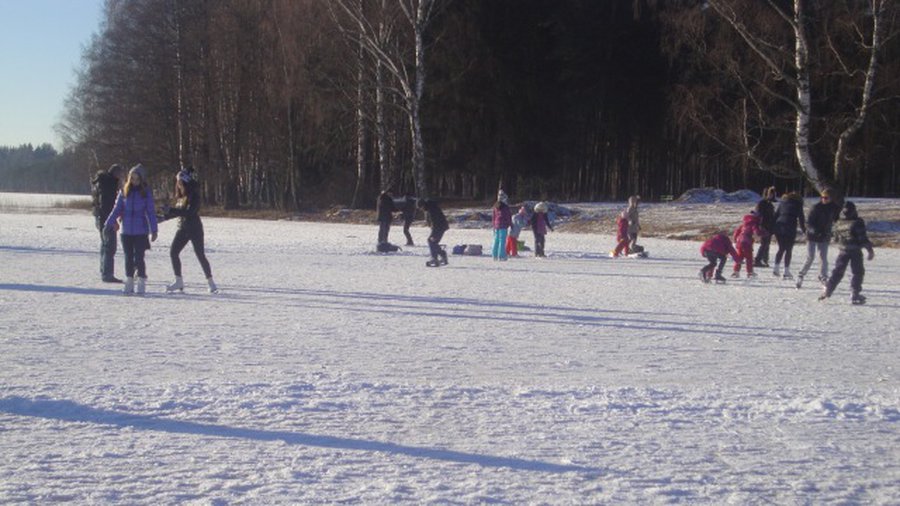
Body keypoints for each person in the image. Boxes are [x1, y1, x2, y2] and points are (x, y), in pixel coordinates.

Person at [104, 164, 158, 295]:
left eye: (137, 179)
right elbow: (117, 210)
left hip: (140, 231)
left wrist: (154, 229)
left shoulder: (145, 193)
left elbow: (151, 212)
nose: (134, 181)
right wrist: (108, 224)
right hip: (126, 230)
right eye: (132, 178)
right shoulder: (124, 191)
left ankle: (141, 281)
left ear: (141, 179)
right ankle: (129, 280)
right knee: (128, 257)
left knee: (139, 257)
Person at [163, 167, 218, 294]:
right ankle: (178, 280)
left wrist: (172, 211)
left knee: (200, 254)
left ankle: (211, 283)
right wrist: (165, 214)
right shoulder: (181, 196)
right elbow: (179, 212)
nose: (178, 184)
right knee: (173, 252)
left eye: (180, 181)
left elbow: (190, 212)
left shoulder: (194, 194)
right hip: (182, 228)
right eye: (178, 182)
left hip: (194, 228)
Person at [819, 201, 874, 304]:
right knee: (857, 272)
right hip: (855, 251)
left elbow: (834, 238)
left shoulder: (838, 222)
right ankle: (855, 293)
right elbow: (862, 238)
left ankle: (828, 289)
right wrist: (869, 250)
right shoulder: (857, 222)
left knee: (838, 271)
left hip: (843, 250)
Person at [796, 189, 840, 289]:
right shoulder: (816, 207)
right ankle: (801, 274)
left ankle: (823, 277)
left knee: (823, 258)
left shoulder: (834, 207)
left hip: (824, 236)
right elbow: (809, 223)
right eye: (822, 197)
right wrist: (815, 231)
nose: (824, 199)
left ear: (831, 198)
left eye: (826, 198)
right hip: (812, 236)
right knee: (810, 257)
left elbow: (837, 219)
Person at [91, 164, 125, 282]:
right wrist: (113, 221)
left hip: (98, 216)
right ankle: (107, 274)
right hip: (105, 218)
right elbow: (107, 205)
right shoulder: (109, 184)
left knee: (104, 245)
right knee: (110, 246)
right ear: (116, 173)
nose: (121, 177)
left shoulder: (102, 181)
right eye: (120, 174)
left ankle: (103, 270)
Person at [772, 191, 805, 279]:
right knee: (788, 249)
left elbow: (775, 215)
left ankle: (776, 268)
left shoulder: (782, 203)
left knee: (781, 248)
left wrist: (772, 229)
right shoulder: (798, 204)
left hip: (779, 226)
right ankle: (786, 271)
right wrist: (805, 230)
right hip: (790, 227)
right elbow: (801, 218)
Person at [731, 210, 765, 278]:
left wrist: (735, 239)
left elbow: (737, 231)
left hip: (739, 243)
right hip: (747, 243)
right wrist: (764, 233)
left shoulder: (744, 224)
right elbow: (757, 232)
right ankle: (750, 272)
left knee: (739, 257)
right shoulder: (754, 224)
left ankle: (736, 271)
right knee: (749, 258)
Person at [418, 198, 449, 267]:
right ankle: (443, 255)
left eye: (420, 207)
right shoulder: (429, 207)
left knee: (431, 241)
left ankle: (434, 258)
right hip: (440, 226)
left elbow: (435, 220)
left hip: (439, 227)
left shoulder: (431, 208)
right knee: (433, 242)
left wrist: (434, 231)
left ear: (423, 205)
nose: (421, 209)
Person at [753, 186, 777, 267]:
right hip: (764, 226)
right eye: (771, 194)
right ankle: (757, 260)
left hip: (769, 227)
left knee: (767, 244)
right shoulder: (762, 203)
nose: (772, 196)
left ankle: (765, 260)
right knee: (764, 244)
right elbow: (759, 215)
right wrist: (761, 227)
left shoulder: (769, 204)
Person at [492, 190, 512, 261]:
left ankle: (494, 255)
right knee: (502, 241)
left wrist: (493, 225)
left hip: (496, 225)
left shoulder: (495, 206)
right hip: (503, 226)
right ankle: (501, 256)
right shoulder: (506, 207)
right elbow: (508, 216)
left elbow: (493, 217)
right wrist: (510, 224)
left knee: (496, 240)